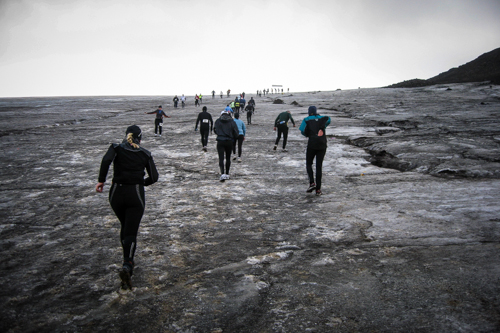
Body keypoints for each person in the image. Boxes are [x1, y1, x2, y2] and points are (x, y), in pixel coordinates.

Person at [96, 125, 159, 289]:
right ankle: (127, 265)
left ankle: (127, 260)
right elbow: (154, 177)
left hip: (116, 193)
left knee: (125, 226)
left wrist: (101, 180)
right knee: (130, 231)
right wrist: (141, 183)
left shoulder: (116, 148)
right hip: (135, 195)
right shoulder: (145, 154)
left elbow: (106, 160)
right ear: (140, 138)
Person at [299, 106, 331, 196]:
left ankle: (312, 183)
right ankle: (318, 190)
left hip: (312, 144)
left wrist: (308, 134)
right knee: (319, 166)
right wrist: (321, 128)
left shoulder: (306, 119)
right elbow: (328, 119)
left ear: (309, 112)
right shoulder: (322, 118)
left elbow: (302, 130)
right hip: (322, 144)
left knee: (309, 163)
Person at [214, 110, 238, 181]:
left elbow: (215, 130)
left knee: (221, 158)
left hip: (220, 140)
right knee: (228, 158)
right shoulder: (232, 121)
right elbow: (236, 132)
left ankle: (222, 173)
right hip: (229, 141)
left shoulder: (218, 121)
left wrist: (220, 134)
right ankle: (227, 173)